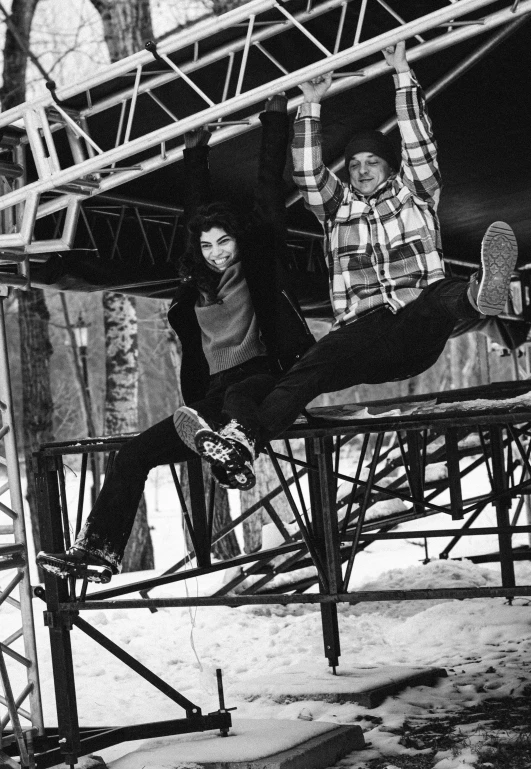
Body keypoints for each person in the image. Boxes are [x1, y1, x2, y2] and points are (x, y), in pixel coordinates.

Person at [194, 41, 518, 482]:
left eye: (373, 162)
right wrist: (309, 103)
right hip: (362, 334)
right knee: (306, 370)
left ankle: (482, 294)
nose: (363, 170)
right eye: (355, 164)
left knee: (438, 296)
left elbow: (419, 143)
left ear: (388, 165)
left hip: (414, 326)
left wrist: (402, 73)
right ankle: (244, 440)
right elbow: (307, 174)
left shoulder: (416, 194)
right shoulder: (336, 210)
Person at [36, 95, 314, 584]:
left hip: (268, 379)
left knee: (243, 394)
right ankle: (99, 550)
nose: (216, 253)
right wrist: (194, 150)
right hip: (211, 403)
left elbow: (269, 197)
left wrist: (275, 120)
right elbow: (194, 217)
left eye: (224, 242)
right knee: (134, 453)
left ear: (239, 241)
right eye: (207, 246)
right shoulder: (195, 290)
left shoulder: (261, 269)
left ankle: (237, 450)